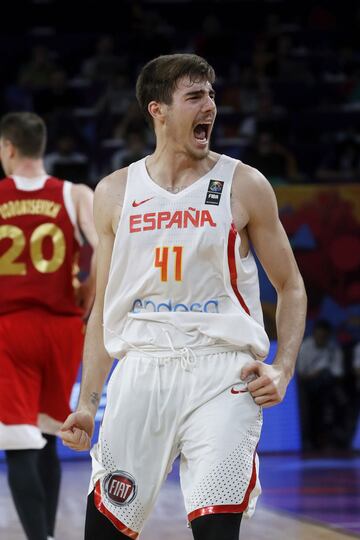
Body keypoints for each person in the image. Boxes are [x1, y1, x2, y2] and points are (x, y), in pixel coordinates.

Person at [61, 53, 307, 540]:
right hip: (142, 370)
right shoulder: (114, 192)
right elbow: (103, 310)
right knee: (104, 530)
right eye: (195, 96)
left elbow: (292, 286)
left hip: (223, 372)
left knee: (216, 531)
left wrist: (284, 366)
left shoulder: (245, 184)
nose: (210, 106)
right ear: (158, 110)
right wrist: (89, 402)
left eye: (212, 95)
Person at [0, 112, 97, 540]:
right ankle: (51, 536)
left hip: (11, 328)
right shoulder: (75, 195)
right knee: (46, 434)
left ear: (8, 147)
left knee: (19, 442)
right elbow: (109, 250)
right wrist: (90, 292)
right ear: (42, 148)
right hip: (63, 330)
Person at [296, 320, 345, 452]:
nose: (321, 339)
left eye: (324, 337)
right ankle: (310, 441)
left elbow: (338, 374)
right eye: (319, 336)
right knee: (311, 407)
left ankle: (334, 439)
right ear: (314, 334)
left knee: (337, 399)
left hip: (328, 387)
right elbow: (301, 375)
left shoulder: (333, 349)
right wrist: (316, 374)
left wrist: (324, 373)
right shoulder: (305, 347)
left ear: (328, 336)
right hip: (308, 386)